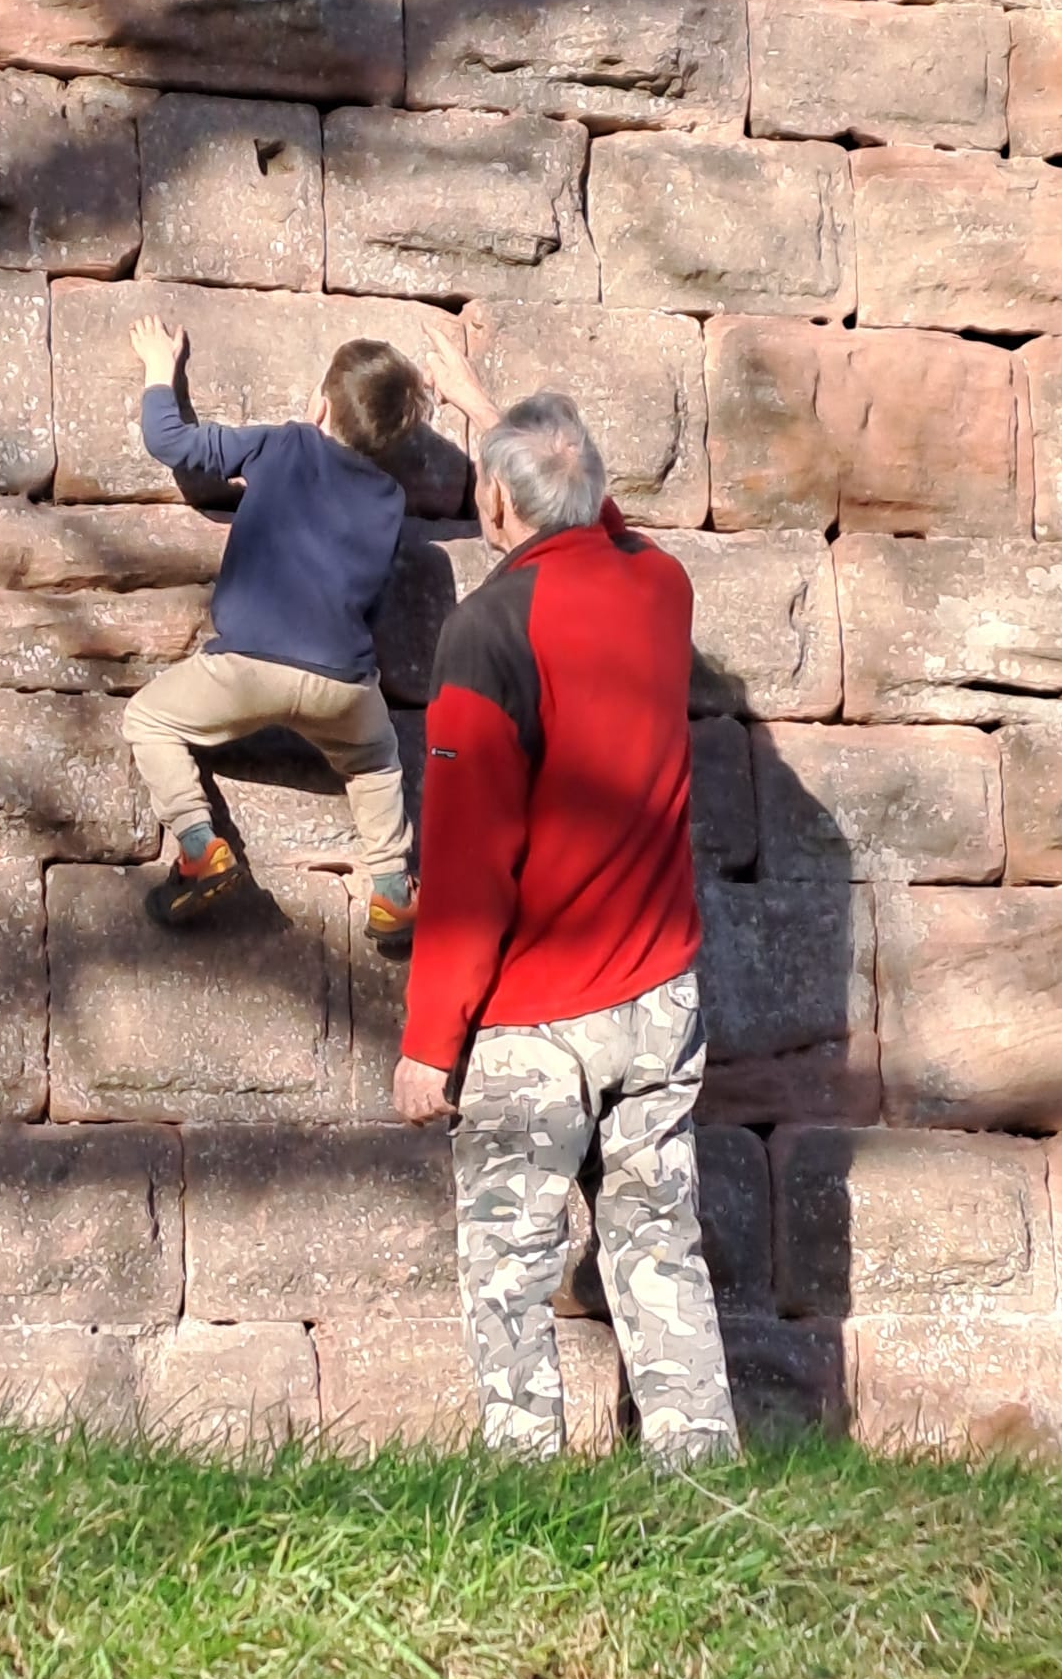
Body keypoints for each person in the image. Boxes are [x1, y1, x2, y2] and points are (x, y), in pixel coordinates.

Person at [393, 335, 740, 1467]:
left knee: (508, 1271)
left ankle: (523, 1498)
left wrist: (428, 1043)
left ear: (495, 504)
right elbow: (599, 525)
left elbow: (466, 864)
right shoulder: (661, 588)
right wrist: (492, 411)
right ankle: (704, 1486)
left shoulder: (484, 633)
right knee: (660, 1250)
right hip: (663, 1000)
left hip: (537, 1019)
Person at [121, 314, 424, 947]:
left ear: (320, 405)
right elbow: (374, 600)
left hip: (247, 668)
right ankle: (392, 892)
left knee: (148, 720)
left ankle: (200, 848)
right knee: (375, 764)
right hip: (344, 681)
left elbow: (171, 442)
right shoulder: (392, 500)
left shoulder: (283, 445)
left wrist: (158, 370)